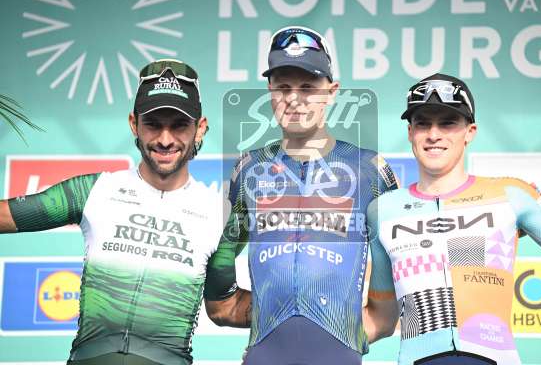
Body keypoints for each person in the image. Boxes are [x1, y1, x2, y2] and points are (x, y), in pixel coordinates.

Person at [0, 59, 248, 365]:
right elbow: (5, 215)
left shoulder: (220, 215)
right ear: (134, 124)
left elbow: (225, 307)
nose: (165, 139)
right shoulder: (94, 190)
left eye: (179, 125)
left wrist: (295, 309)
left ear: (200, 128)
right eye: (153, 124)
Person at [363, 73, 541, 365]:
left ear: (470, 131)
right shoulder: (383, 210)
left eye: (448, 123)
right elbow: (381, 319)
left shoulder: (511, 195)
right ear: (410, 132)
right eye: (423, 123)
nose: (434, 134)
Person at [203, 26, 399, 364]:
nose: (294, 98)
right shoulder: (249, 169)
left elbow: (386, 313)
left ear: (332, 92)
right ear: (270, 91)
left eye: (308, 87)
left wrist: (339, 327)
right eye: (283, 87)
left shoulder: (370, 171)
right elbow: (219, 302)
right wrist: (268, 314)